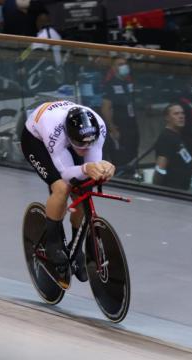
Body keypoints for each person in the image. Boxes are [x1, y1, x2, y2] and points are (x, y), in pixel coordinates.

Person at [20, 100, 114, 281]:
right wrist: (87, 168)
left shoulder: (99, 127)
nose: (84, 149)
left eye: (88, 144)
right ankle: (53, 244)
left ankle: (76, 248)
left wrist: (104, 169)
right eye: (80, 144)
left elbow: (92, 166)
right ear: (69, 137)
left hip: (68, 138)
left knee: (83, 189)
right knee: (62, 188)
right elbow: (65, 173)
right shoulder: (54, 131)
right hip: (37, 140)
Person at [101, 56, 139, 169]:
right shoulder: (110, 85)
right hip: (120, 128)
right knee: (122, 157)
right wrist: (113, 128)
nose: (124, 66)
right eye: (120, 64)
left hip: (133, 126)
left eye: (125, 63)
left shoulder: (129, 82)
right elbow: (105, 108)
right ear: (113, 67)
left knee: (133, 154)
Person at [153, 104, 192, 190]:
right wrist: (156, 191)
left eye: (182, 113)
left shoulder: (178, 136)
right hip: (172, 192)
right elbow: (160, 167)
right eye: (176, 114)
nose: (181, 116)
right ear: (167, 118)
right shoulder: (166, 137)